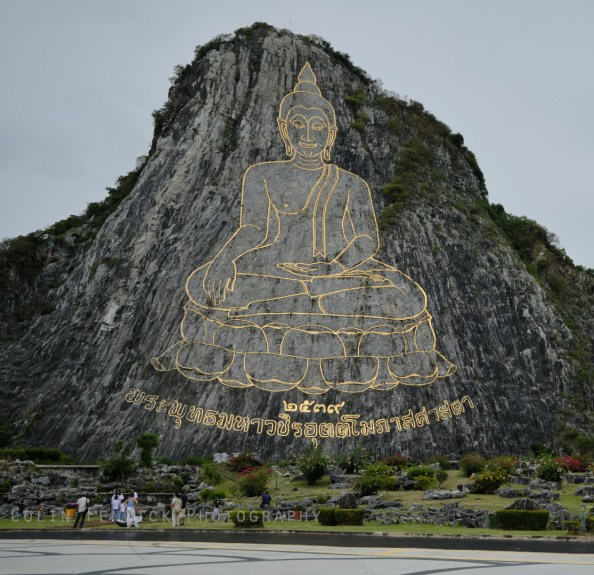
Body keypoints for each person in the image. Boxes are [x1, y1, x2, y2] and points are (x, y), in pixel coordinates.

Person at [152, 62, 455, 394]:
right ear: (284, 129)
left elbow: (366, 239)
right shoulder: (262, 175)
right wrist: (225, 260)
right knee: (204, 283)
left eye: (317, 126)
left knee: (406, 296)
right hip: (276, 270)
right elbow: (254, 228)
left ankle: (298, 310)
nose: (308, 135)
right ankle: (304, 307)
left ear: (330, 132)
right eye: (299, 125)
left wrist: (332, 268)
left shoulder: (351, 184)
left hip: (341, 275)